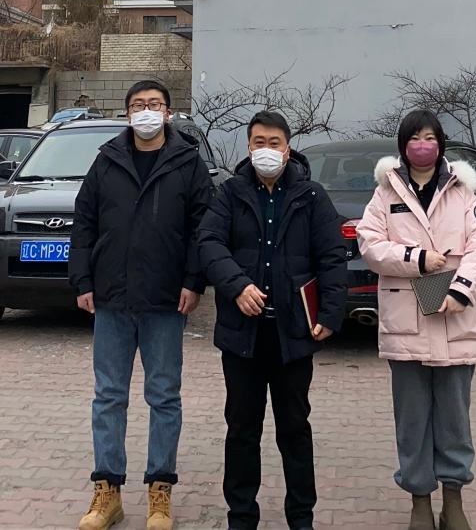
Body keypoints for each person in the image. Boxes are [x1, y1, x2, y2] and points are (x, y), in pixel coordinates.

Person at [69, 79, 215, 530]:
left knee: (164, 397)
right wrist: (82, 279)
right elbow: (84, 223)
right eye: (138, 104)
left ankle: (160, 492)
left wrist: (194, 280)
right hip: (112, 298)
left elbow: (203, 228)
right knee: (108, 397)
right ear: (127, 113)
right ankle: (107, 492)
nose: (146, 111)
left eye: (154, 104)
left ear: (168, 113)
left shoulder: (187, 162)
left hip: (165, 301)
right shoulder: (107, 160)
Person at [197, 110, 347, 530]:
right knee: (242, 430)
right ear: (249, 147)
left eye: (274, 143)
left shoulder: (311, 196)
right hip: (242, 336)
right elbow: (208, 243)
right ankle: (241, 516)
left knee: (294, 429)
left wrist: (330, 313)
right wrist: (237, 285)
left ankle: (301, 517)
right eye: (259, 142)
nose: (267, 150)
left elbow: (332, 256)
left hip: (292, 335)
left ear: (288, 148)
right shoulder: (230, 193)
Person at [356, 110, 476, 530]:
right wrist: (416, 259)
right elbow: (370, 244)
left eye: (430, 137)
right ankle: (419, 499)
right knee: (413, 420)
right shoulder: (385, 193)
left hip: (456, 322)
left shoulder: (463, 193)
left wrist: (462, 288)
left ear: (441, 143)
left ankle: (453, 500)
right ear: (403, 145)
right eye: (415, 138)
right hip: (407, 325)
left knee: (454, 418)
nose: (423, 145)